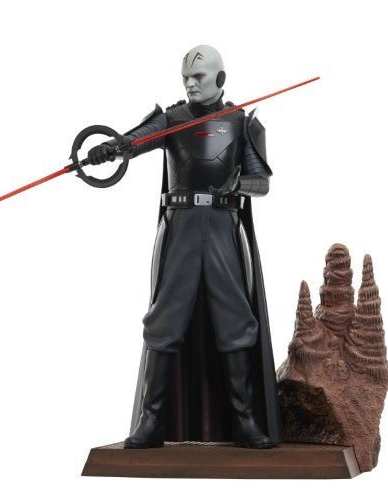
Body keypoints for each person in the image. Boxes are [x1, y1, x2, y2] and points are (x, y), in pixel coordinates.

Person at [88, 45, 282, 449]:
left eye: (199, 77)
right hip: (181, 227)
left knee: (235, 319)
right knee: (165, 319)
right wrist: (110, 149)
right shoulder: (172, 119)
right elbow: (132, 142)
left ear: (220, 78)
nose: (191, 84)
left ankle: (245, 420)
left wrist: (240, 184)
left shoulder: (240, 121)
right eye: (186, 78)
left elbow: (261, 183)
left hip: (223, 227)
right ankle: (152, 420)